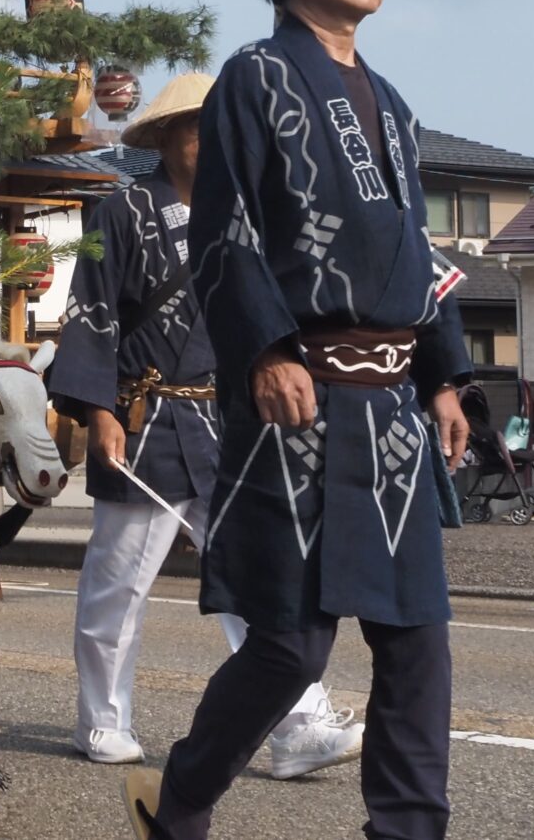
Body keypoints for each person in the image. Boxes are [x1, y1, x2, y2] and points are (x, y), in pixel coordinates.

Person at [129, 0, 472, 840]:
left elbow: (417, 250)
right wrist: (269, 348)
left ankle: (407, 832)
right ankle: (178, 801)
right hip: (303, 405)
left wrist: (445, 374)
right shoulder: (255, 77)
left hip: (392, 414)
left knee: (417, 641)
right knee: (290, 646)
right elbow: (224, 230)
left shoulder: (393, 107)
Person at [48, 71, 359, 776]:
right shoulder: (122, 211)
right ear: (164, 137)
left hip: (228, 423)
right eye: (198, 129)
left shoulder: (251, 218)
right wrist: (98, 413)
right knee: (119, 584)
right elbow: (89, 314)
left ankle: (297, 727)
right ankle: (103, 720)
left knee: (258, 574)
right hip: (144, 418)